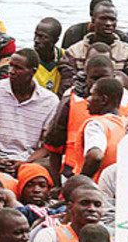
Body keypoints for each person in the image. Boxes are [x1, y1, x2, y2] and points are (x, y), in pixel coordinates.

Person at [44, 54, 120, 183]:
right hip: (73, 174)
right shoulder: (71, 101)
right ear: (86, 77)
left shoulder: (126, 101)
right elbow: (54, 147)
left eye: (104, 77)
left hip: (113, 181)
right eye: (94, 78)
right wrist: (57, 184)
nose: (98, 82)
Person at [0, 48, 59, 174]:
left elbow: (47, 146)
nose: (11, 71)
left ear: (33, 72)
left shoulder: (50, 101)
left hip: (30, 159)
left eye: (18, 68)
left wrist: (26, 163)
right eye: (10, 66)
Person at [59, 2, 128, 97]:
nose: (108, 23)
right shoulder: (73, 52)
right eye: (103, 19)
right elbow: (67, 86)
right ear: (93, 21)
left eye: (112, 19)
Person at [23, 186, 105, 242]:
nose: (92, 209)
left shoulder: (113, 238)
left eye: (97, 205)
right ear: (70, 207)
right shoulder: (50, 235)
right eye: (84, 203)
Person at [73, 77, 126, 180]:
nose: (88, 99)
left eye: (92, 95)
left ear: (103, 100)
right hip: (119, 185)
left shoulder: (96, 125)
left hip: (97, 186)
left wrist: (82, 181)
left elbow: (95, 156)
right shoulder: (126, 124)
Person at [34, 18, 64, 93]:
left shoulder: (64, 56)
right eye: (35, 35)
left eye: (42, 37)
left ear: (55, 40)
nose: (36, 40)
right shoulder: (28, 58)